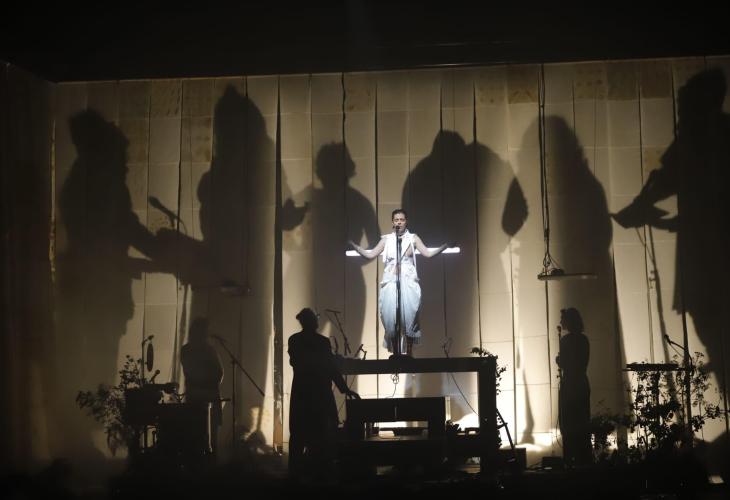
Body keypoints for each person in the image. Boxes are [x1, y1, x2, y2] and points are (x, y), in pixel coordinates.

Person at [348, 209, 450, 356]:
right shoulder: (386, 240)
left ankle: (409, 353)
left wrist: (444, 247)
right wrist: (355, 246)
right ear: (392, 222)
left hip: (408, 282)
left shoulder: (413, 238)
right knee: (390, 316)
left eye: (402, 220)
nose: (399, 222)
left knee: (410, 315)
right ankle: (396, 353)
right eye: (396, 220)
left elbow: (428, 254)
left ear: (406, 221)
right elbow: (370, 255)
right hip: (390, 281)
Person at [288, 308, 360, 480]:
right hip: (320, 393)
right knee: (321, 431)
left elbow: (295, 362)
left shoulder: (294, 340)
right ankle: (320, 470)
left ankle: (295, 472)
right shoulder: (322, 342)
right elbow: (331, 368)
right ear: (313, 322)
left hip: (302, 393)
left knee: (298, 432)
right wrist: (344, 388)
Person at [180, 317, 224, 457]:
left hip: (199, 396)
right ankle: (208, 461)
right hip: (201, 397)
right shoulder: (202, 350)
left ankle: (206, 460)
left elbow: (218, 373)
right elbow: (218, 373)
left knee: (204, 436)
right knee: (203, 436)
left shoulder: (190, 350)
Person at [555, 307, 592, 466]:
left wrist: (559, 360)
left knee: (568, 422)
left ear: (569, 321)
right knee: (582, 421)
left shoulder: (565, 341)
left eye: (563, 319)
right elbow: (582, 363)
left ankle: (570, 459)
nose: (560, 322)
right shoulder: (584, 340)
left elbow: (565, 364)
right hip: (582, 384)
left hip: (569, 385)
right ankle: (584, 459)